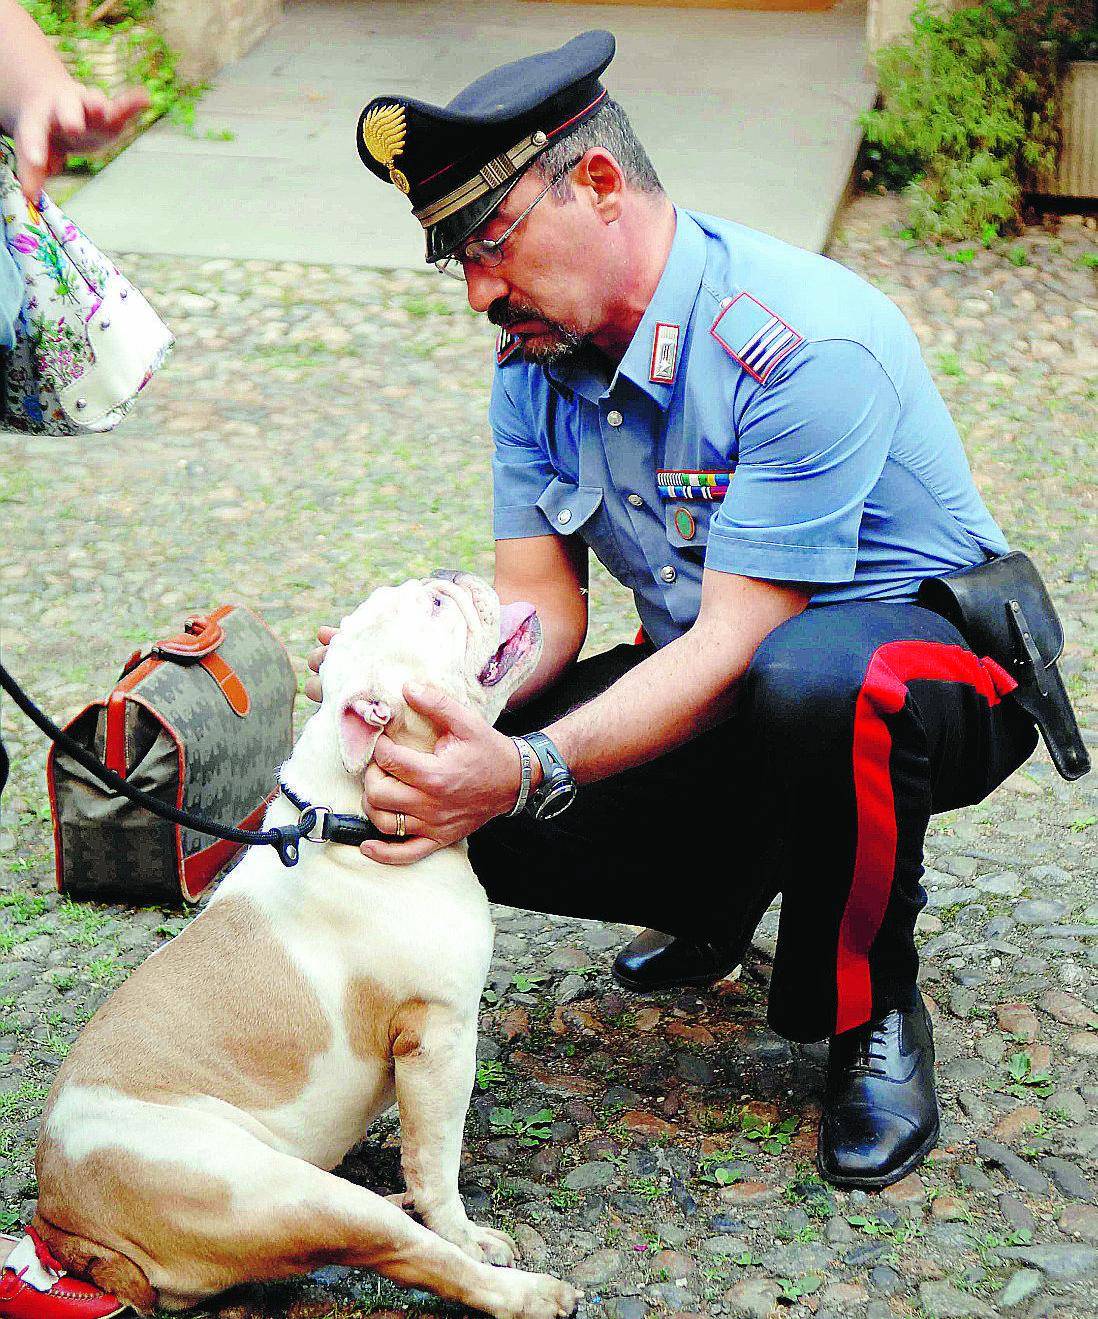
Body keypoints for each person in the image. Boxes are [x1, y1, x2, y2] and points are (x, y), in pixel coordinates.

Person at [318, 28, 1054, 1194]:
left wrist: (525, 765)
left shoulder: (801, 341)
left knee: (817, 684)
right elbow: (539, 607)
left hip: (928, 672)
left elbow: (742, 638)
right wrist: (431, 693)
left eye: (491, 240)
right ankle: (724, 881)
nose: (476, 290)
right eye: (451, 255)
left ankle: (870, 1003)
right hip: (730, 679)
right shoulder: (532, 363)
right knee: (429, 782)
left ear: (600, 185)